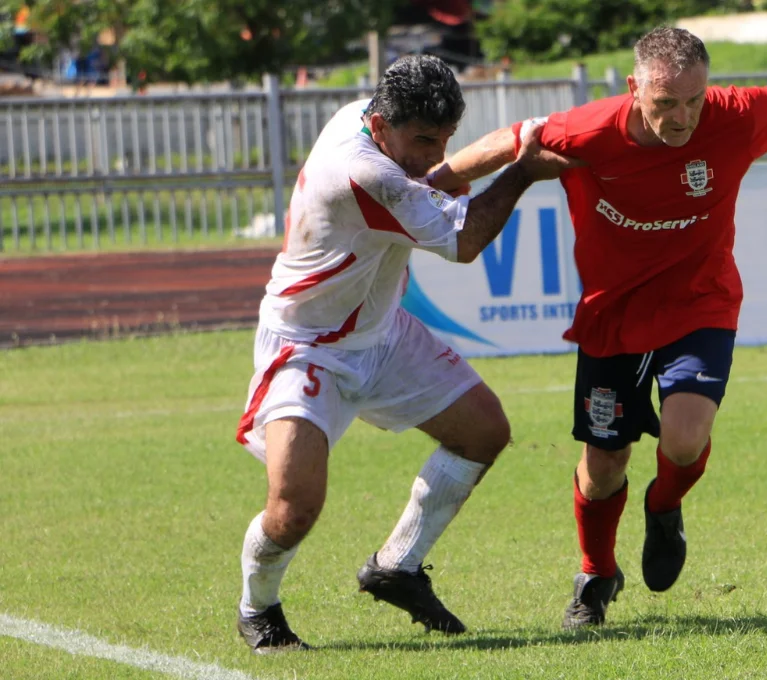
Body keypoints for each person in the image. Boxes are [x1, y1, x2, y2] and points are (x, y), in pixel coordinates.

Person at [428, 26, 767, 630]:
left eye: (695, 99)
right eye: (667, 102)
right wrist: (431, 184)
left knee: (684, 439)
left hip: (701, 303)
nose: (684, 117)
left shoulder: (736, 114)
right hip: (612, 314)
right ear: (634, 89)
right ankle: (595, 575)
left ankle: (664, 504)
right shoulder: (591, 129)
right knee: (604, 465)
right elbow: (511, 139)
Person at [232, 54, 572, 653]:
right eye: (422, 140)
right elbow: (465, 240)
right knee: (293, 508)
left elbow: (434, 176)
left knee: (484, 431)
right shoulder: (363, 173)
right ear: (383, 124)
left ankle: (398, 566)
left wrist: (530, 137)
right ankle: (257, 609)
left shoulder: (371, 130)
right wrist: (522, 171)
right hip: (310, 347)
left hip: (382, 332)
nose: (432, 152)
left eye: (444, 139)